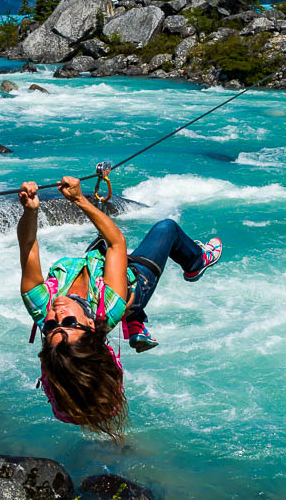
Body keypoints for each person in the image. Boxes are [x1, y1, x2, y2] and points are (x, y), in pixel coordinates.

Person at [17, 176, 223, 438]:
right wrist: (80, 199)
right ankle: (195, 262)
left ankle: (135, 321)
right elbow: (117, 243)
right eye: (67, 323)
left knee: (98, 249)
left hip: (98, 272)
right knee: (166, 229)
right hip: (135, 287)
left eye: (50, 326)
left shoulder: (40, 304)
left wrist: (30, 211)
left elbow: (28, 246)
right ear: (90, 325)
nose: (56, 314)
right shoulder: (110, 304)